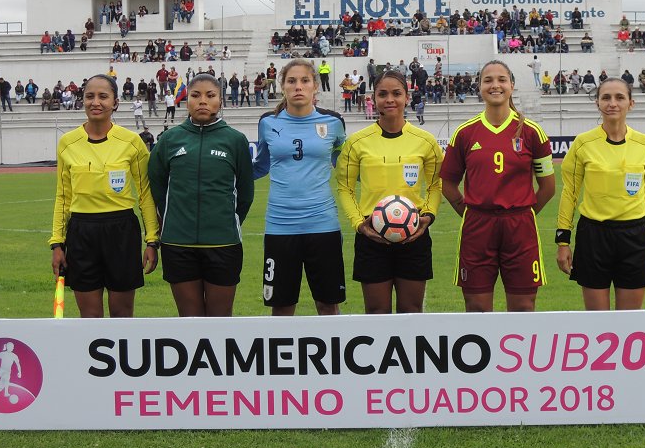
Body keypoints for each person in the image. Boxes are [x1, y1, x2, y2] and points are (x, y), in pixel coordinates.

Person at [441, 61, 555, 313]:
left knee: (524, 308)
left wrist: (524, 213)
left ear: (511, 85)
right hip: (477, 227)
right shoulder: (464, 133)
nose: (495, 85)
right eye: (488, 80)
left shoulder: (532, 132)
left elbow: (547, 187)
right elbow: (447, 183)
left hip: (520, 227)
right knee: (477, 308)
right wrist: (468, 211)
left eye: (502, 79)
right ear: (479, 86)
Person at [555, 77, 645, 311]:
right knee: (598, 324)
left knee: (628, 323)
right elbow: (570, 194)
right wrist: (563, 242)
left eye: (620, 97)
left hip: (634, 237)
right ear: (597, 103)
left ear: (631, 103)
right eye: (606, 97)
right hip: (593, 236)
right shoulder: (583, 143)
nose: (612, 103)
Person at [48, 75, 160, 318]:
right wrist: (57, 243)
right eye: (89, 96)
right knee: (89, 318)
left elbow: (145, 195)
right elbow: (63, 197)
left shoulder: (132, 142)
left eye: (103, 96)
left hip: (121, 231)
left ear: (115, 102)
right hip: (81, 233)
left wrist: (152, 240)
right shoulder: (67, 143)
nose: (95, 102)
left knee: (122, 316)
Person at [336, 70, 443, 314]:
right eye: (382, 94)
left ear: (407, 97)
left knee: (411, 311)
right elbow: (345, 188)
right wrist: (358, 224)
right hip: (371, 235)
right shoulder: (356, 142)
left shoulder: (425, 141)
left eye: (396, 93)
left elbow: (436, 184)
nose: (390, 99)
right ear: (373, 98)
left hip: (414, 235)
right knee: (376, 313)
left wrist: (428, 215)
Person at [148, 74, 254, 317]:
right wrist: (173, 221)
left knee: (220, 322)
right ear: (187, 101)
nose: (203, 101)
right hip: (178, 244)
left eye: (211, 95)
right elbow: (158, 188)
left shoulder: (235, 140)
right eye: (195, 95)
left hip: (223, 244)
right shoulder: (169, 140)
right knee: (190, 321)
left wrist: (225, 221)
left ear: (221, 101)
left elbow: (246, 194)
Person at [253, 60, 347, 316]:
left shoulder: (334, 123)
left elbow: (346, 166)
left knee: (328, 305)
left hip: (323, 224)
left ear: (315, 86)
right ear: (282, 86)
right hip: (280, 226)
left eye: (305, 80)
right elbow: (260, 166)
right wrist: (223, 176)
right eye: (291, 81)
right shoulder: (267, 123)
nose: (298, 86)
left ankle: (333, 356)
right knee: (281, 306)